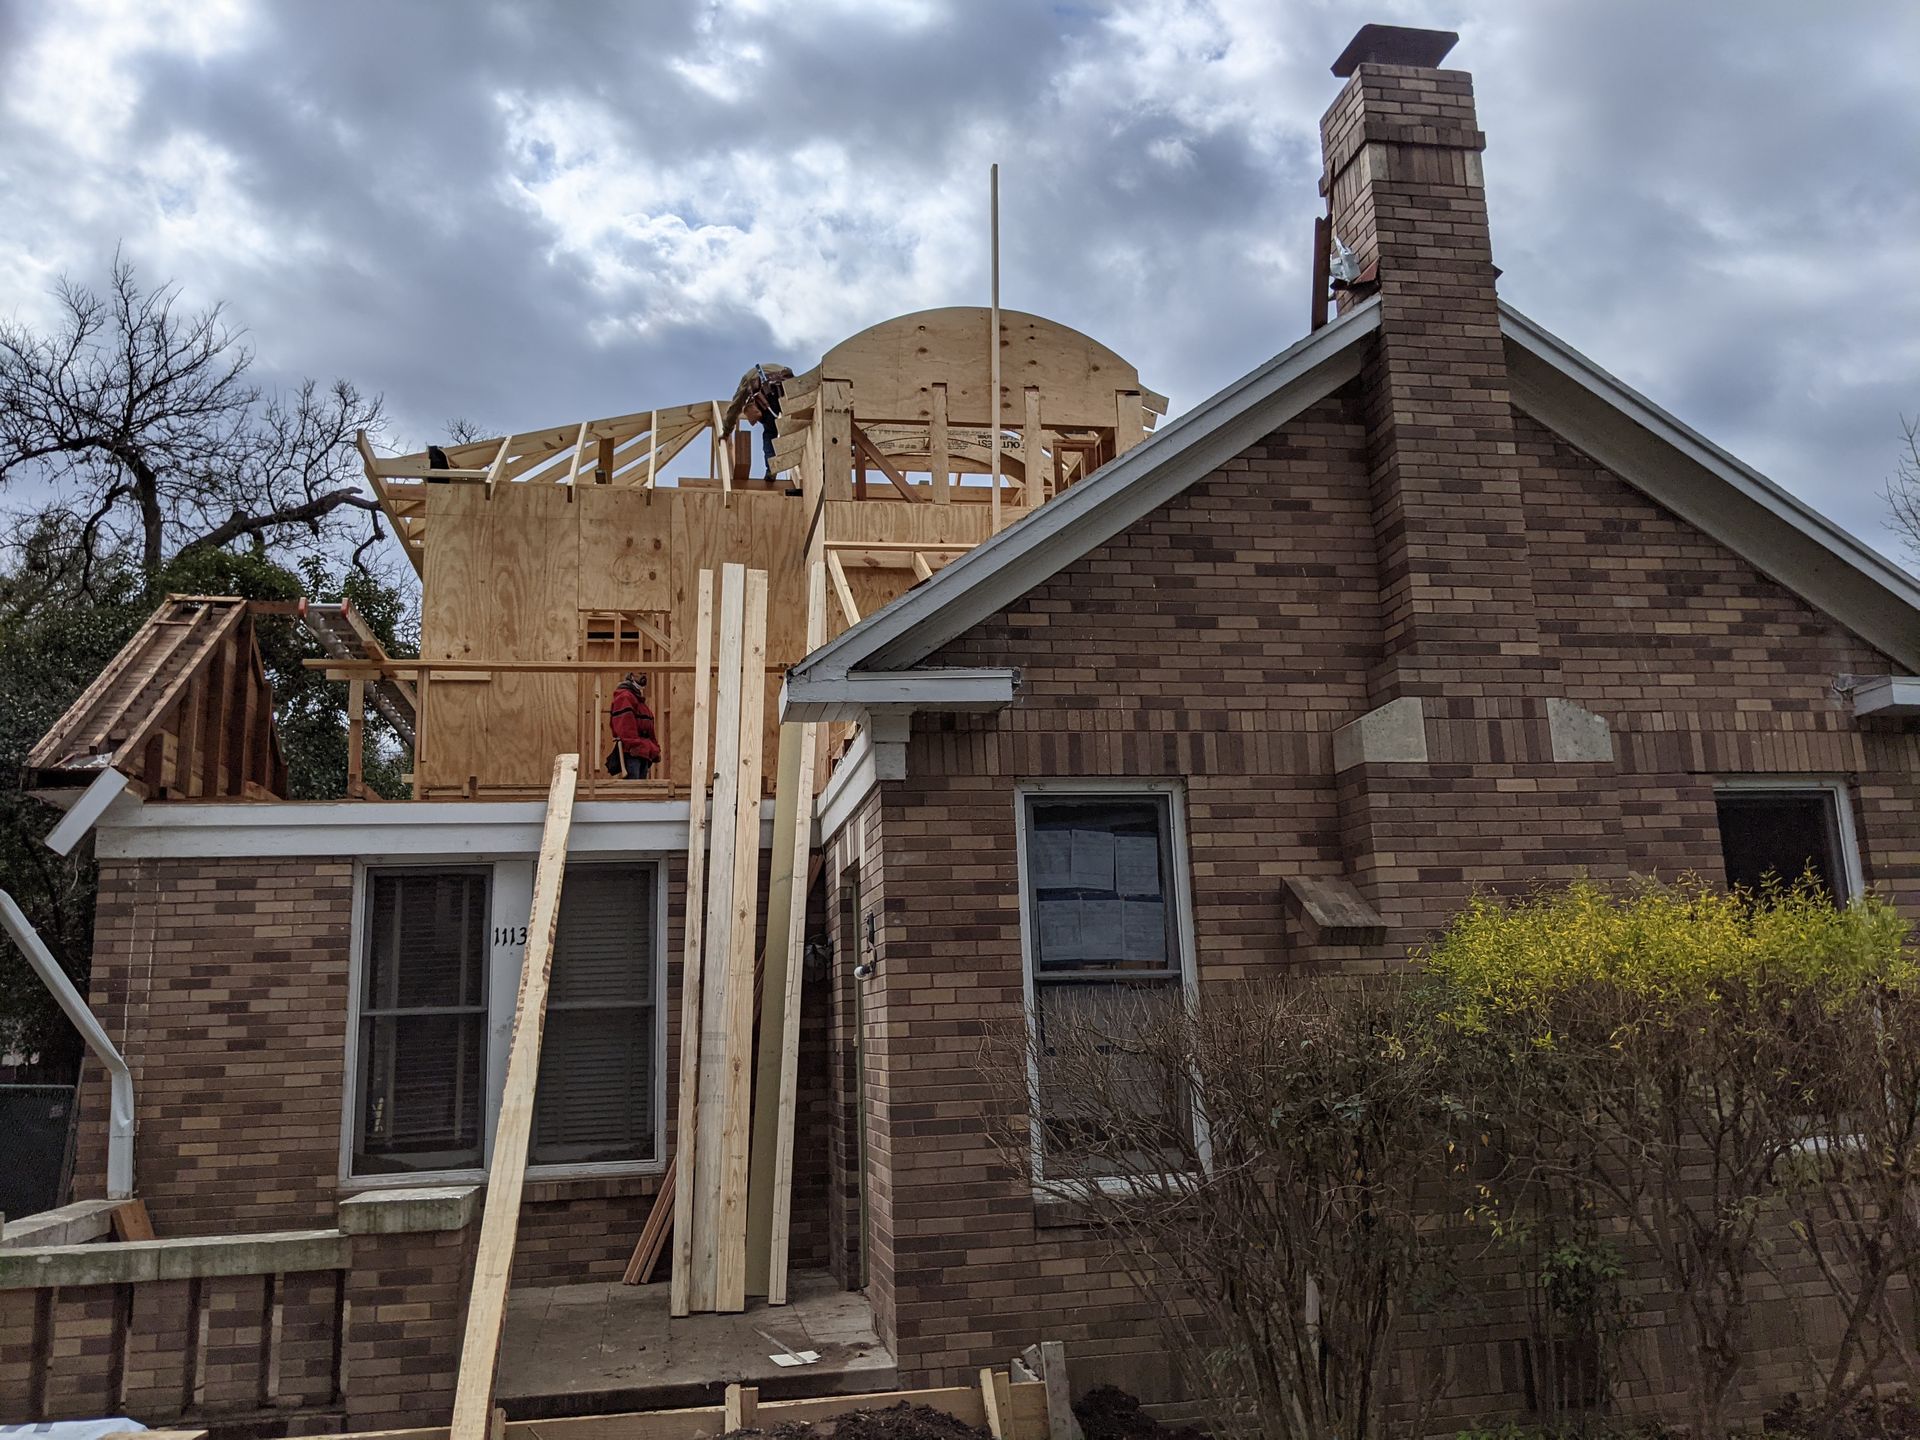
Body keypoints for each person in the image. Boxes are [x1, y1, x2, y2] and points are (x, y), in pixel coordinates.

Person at [720, 363, 793, 479]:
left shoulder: (748, 379)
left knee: (770, 432)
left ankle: (772, 468)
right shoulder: (776, 367)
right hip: (787, 390)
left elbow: (735, 407)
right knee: (793, 424)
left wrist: (726, 432)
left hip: (770, 395)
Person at [607, 672, 661, 780]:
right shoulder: (625, 697)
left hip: (643, 751)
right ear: (631, 676)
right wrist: (634, 745)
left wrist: (654, 749)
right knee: (633, 789)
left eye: (645, 674)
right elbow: (625, 726)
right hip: (633, 753)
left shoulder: (638, 700)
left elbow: (649, 729)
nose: (643, 677)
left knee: (640, 790)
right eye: (640, 673)